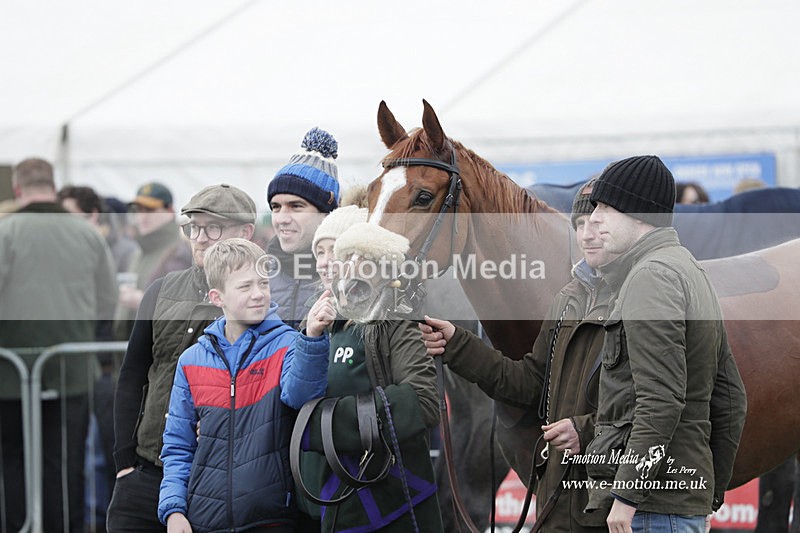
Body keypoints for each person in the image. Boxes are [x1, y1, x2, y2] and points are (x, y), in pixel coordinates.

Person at [419, 178, 615, 532]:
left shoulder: (644, 300)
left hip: (619, 504)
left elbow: (654, 406)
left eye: (598, 225)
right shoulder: (569, 300)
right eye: (580, 225)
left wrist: (583, 432)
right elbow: (529, 381)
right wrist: (458, 344)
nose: (586, 235)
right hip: (566, 504)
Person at [584, 155, 746, 532]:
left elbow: (660, 401)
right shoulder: (688, 269)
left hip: (651, 510)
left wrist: (625, 497)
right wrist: (708, 491)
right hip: (675, 505)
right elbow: (732, 398)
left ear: (639, 214)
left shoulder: (651, 277)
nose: (594, 218)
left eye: (606, 207)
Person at [108, 183, 258, 532]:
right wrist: (124, 460)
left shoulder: (256, 302)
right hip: (144, 472)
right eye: (193, 227)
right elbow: (132, 375)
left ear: (246, 233)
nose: (201, 237)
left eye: (214, 227)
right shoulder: (161, 291)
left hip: (213, 481)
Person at [158, 238, 333, 532]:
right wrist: (174, 510)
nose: (258, 294)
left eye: (263, 284)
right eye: (244, 286)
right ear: (217, 297)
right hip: (203, 518)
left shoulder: (289, 343)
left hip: (271, 515)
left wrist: (312, 338)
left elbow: (301, 395)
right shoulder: (191, 360)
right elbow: (178, 445)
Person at [292, 221, 443, 533]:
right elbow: (292, 398)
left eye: (365, 260)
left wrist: (323, 424)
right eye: (345, 257)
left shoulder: (397, 320)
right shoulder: (316, 319)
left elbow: (424, 400)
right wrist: (310, 336)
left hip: (389, 503)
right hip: (322, 501)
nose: (351, 267)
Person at [0, 158, 118, 532]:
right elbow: (107, 300)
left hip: (9, 374)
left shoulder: (5, 232)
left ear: (18, 190)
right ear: (53, 186)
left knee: (11, 463)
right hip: (72, 373)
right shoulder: (87, 234)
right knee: (64, 465)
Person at [266, 127, 340, 329]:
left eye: (296, 206)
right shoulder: (257, 275)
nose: (282, 218)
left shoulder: (351, 279)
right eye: (276, 207)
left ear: (327, 213)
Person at [114, 182, 191, 341]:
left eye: (150, 210)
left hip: (160, 346)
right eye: (138, 210)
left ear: (169, 211)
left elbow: (181, 306)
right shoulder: (137, 252)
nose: (142, 216)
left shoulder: (180, 251)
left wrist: (142, 302)